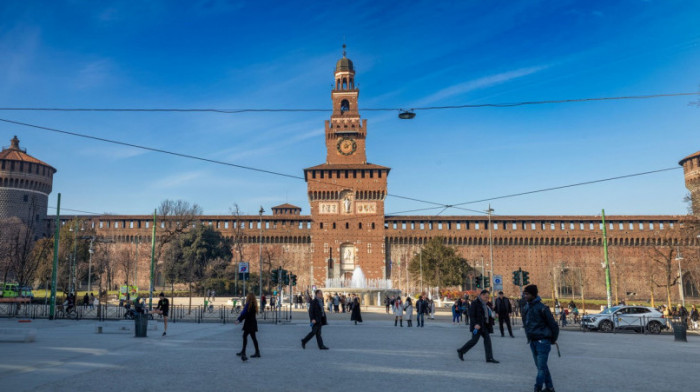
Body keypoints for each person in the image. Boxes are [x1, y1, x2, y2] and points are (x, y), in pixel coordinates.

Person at [522, 285, 559, 392]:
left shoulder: (543, 308)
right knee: (541, 367)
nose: (525, 296)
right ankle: (550, 387)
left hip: (543, 341)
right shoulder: (526, 307)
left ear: (533, 295)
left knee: (541, 368)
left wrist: (552, 339)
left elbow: (554, 325)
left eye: (527, 294)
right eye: (524, 293)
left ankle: (537, 388)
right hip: (533, 341)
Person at [457, 290, 499, 364]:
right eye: (486, 297)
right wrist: (475, 324)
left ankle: (489, 358)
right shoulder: (475, 303)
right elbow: (471, 315)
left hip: (484, 325)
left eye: (488, 297)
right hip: (477, 325)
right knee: (474, 341)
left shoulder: (486, 303)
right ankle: (461, 351)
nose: (487, 298)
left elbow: (488, 313)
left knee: (488, 341)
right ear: (481, 295)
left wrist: (493, 315)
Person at [235, 292, 260, 361]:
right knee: (252, 337)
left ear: (249, 297)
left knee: (246, 336)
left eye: (247, 296)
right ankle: (256, 352)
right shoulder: (253, 304)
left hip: (249, 323)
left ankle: (245, 352)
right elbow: (246, 314)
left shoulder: (250, 305)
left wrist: (239, 320)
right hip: (252, 323)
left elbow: (246, 314)